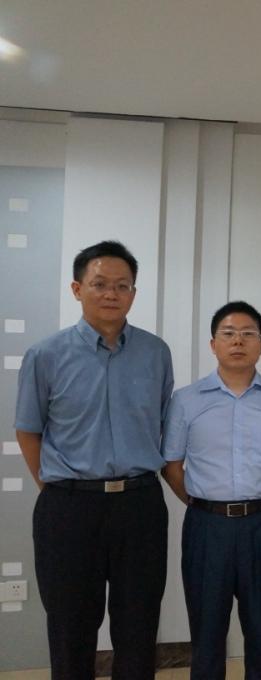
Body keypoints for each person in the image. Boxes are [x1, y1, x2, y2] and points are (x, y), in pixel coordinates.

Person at [14, 240, 173, 678]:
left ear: (133, 293)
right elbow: (28, 430)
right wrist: (59, 487)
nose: (111, 294)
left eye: (122, 286)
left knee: (139, 625)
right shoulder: (46, 355)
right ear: (77, 288)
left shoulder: (156, 353)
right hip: (69, 508)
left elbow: (162, 421)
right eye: (100, 284)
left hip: (140, 505)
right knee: (71, 628)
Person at [161, 301, 261, 679]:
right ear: (213, 344)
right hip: (207, 528)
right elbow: (171, 464)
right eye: (229, 334)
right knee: (206, 632)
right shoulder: (185, 400)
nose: (238, 341)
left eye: (248, 334)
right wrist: (201, 502)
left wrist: (260, 500)